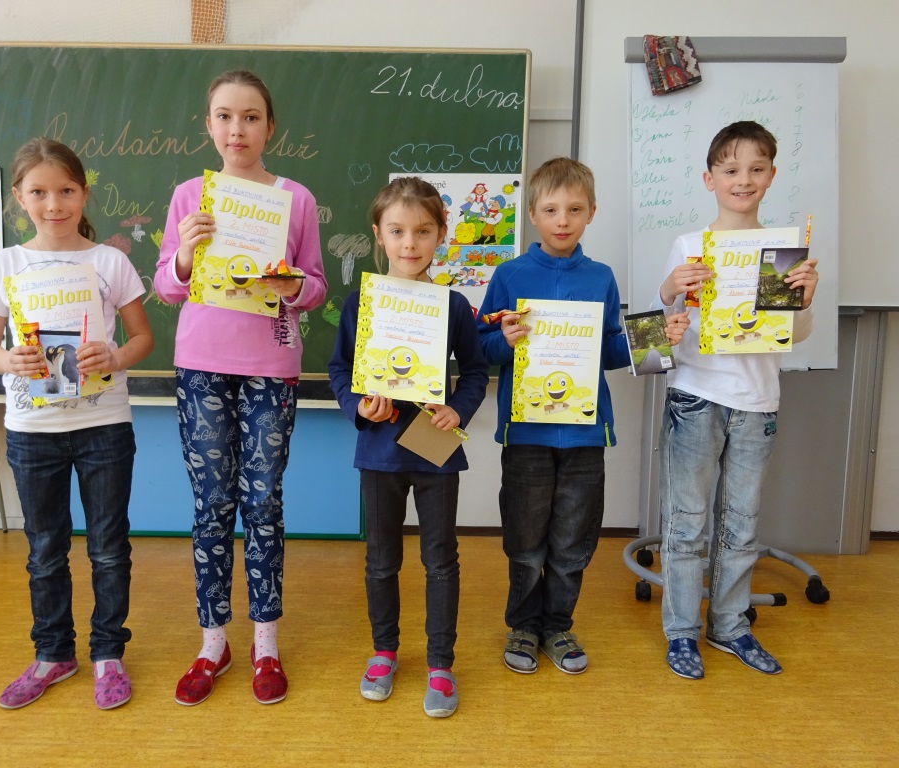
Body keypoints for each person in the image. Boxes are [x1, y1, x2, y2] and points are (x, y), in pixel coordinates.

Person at [154, 69, 327, 707]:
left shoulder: (295, 199)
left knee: (263, 503)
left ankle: (266, 643)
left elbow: (316, 285)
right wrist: (184, 255)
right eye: (225, 116)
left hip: (270, 367)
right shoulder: (188, 197)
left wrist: (293, 287)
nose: (237, 129)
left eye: (250, 117)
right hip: (201, 365)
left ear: (269, 127)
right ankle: (212, 643)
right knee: (211, 506)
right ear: (209, 126)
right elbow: (167, 287)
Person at [479, 157, 686, 677]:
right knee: (525, 540)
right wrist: (503, 340)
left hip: (586, 435)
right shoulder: (509, 275)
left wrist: (656, 338)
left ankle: (557, 625)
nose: (563, 220)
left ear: (592, 212)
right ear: (532, 214)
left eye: (574, 209)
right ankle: (523, 626)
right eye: (551, 210)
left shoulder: (600, 278)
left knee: (573, 541)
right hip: (526, 433)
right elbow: (481, 347)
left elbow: (611, 349)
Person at [0, 138, 154, 710]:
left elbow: (143, 338)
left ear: (84, 193)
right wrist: (9, 360)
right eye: (39, 192)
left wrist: (114, 356)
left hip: (104, 424)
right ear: (18, 197)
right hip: (32, 430)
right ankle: (53, 654)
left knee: (108, 547)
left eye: (66, 191)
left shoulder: (110, 262)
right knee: (45, 549)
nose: (54, 204)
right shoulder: (6, 264)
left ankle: (108, 654)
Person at [651, 121, 819, 680]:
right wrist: (669, 290)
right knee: (686, 523)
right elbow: (664, 328)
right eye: (730, 169)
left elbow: (793, 336)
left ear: (771, 176)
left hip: (757, 402)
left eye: (755, 169)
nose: (742, 179)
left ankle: (729, 626)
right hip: (696, 397)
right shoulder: (689, 247)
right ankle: (681, 631)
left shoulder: (780, 253)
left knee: (741, 525)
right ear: (710, 179)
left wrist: (802, 303)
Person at [328, 177, 487, 718]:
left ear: (441, 234)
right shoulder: (361, 303)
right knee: (381, 560)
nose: (410, 243)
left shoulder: (454, 306)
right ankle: (384, 651)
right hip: (379, 451)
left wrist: (458, 409)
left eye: (422, 231)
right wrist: (358, 406)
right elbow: (340, 370)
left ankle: (441, 663)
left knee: (440, 559)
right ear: (379, 234)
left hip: (436, 449)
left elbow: (475, 371)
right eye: (397, 231)